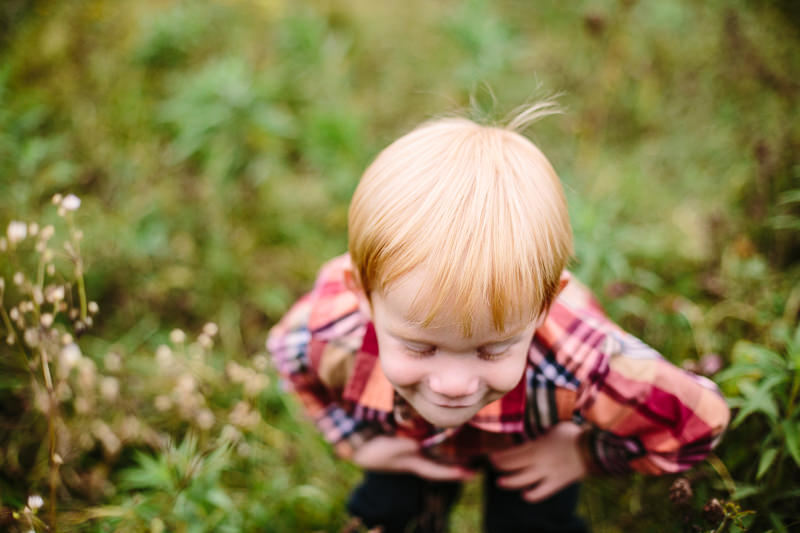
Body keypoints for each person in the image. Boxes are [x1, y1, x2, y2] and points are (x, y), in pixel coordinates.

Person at [267, 103, 730, 533]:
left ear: (545, 306)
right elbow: (289, 356)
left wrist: (581, 453)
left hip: (530, 443)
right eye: (420, 345)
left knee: (532, 521)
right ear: (363, 296)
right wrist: (357, 444)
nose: (454, 384)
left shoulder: (582, 362)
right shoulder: (331, 333)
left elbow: (700, 418)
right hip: (411, 435)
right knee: (390, 511)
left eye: (492, 348)